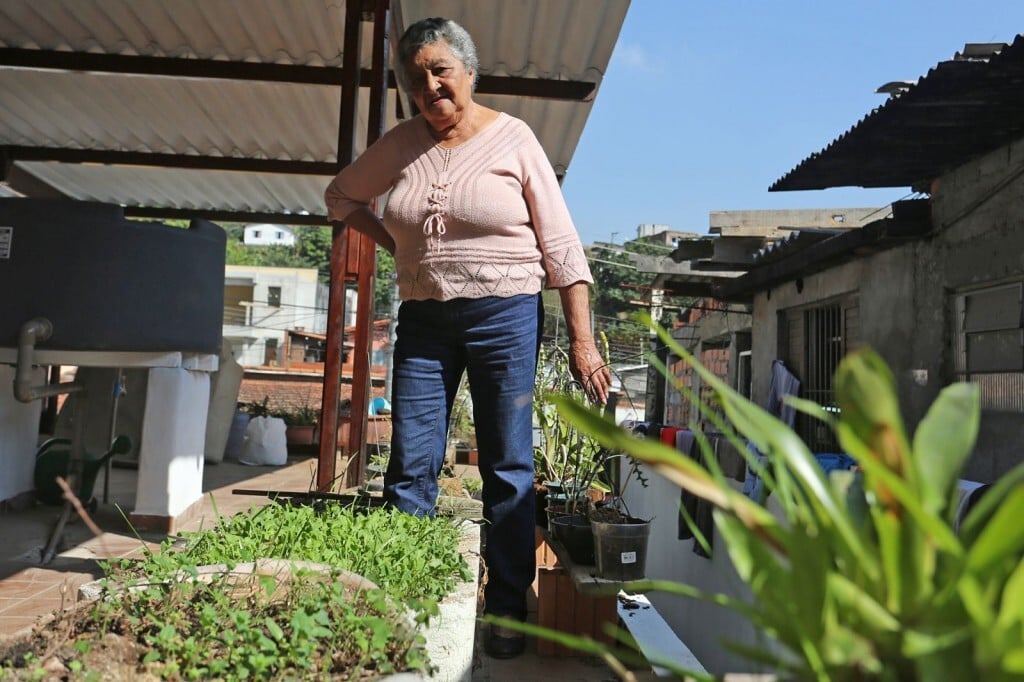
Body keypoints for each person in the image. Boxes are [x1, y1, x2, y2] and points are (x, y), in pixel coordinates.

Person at [324, 16, 610, 659]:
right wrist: (396, 241)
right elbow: (341, 197)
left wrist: (583, 343)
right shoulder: (400, 145)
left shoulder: (515, 139)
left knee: (507, 465)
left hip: (505, 315)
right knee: (411, 461)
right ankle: (401, 593)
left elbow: (562, 246)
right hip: (425, 320)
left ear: (467, 72)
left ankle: (509, 605)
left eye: (439, 70)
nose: (428, 86)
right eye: (414, 77)